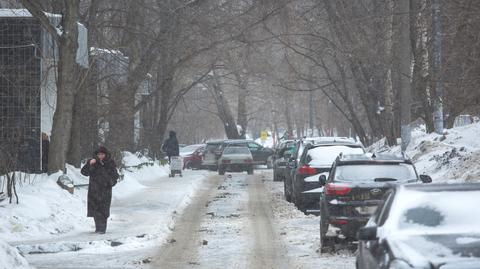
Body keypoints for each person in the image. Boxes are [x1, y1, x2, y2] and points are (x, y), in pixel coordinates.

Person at [81, 146, 119, 234]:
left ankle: (102, 229)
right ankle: (98, 228)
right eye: (98, 154)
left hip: (105, 190)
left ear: (105, 155)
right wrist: (89, 164)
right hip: (94, 190)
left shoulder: (110, 163)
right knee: (95, 210)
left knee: (103, 210)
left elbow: (115, 175)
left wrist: (109, 182)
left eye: (102, 154)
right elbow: (84, 172)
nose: (100, 156)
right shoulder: (93, 162)